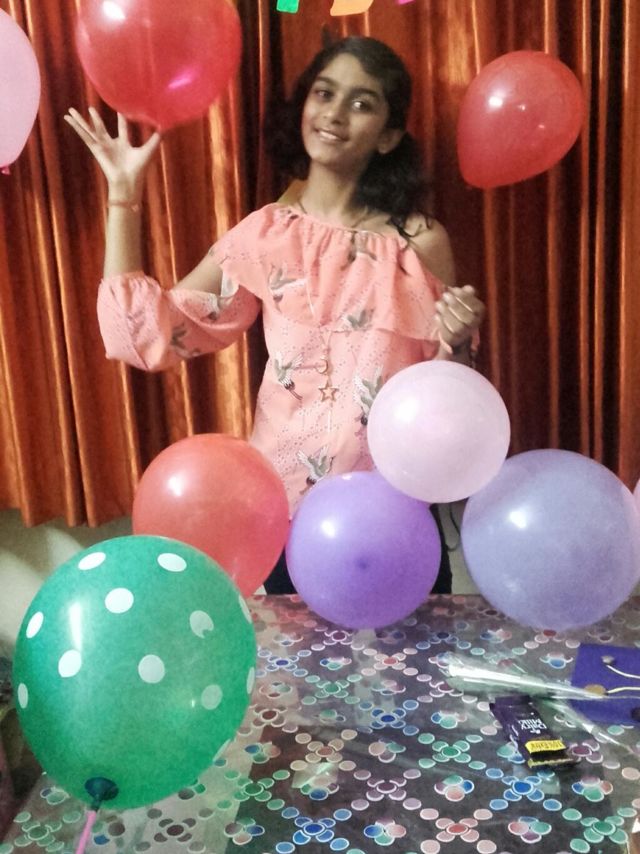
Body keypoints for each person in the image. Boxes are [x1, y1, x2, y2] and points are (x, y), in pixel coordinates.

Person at [64, 36, 485, 594]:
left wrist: (458, 341)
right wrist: (124, 196)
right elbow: (146, 336)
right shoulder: (266, 234)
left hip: (394, 519)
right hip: (286, 519)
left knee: (417, 655)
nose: (335, 113)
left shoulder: (419, 244)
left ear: (388, 136)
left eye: (362, 103)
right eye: (324, 94)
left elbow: (450, 406)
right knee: (300, 656)